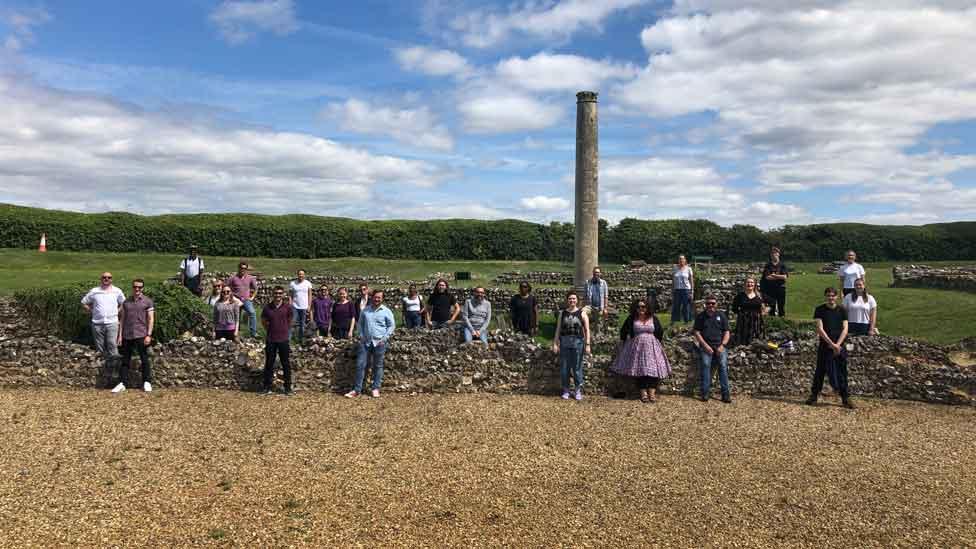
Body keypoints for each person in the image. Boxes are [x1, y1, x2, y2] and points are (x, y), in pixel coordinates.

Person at [611, 298, 670, 403]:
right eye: (639, 307)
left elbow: (659, 331)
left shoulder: (653, 318)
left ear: (647, 308)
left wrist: (657, 342)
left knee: (653, 370)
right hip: (637, 348)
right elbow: (623, 330)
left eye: (643, 306)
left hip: (652, 347)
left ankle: (652, 393)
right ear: (635, 308)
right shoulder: (632, 318)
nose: (641, 309)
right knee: (640, 370)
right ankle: (643, 393)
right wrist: (623, 341)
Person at [807, 287, 855, 409]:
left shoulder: (842, 310)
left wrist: (838, 344)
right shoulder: (820, 310)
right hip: (825, 345)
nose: (831, 298)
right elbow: (820, 329)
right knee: (820, 371)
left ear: (836, 297)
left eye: (833, 295)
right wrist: (831, 344)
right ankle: (814, 395)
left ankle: (845, 397)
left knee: (842, 371)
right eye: (828, 295)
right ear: (825, 296)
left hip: (839, 346)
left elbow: (845, 328)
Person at [346, 289, 395, 398]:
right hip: (365, 342)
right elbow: (360, 325)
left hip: (380, 342)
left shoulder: (386, 311)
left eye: (379, 297)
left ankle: (375, 388)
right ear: (372, 297)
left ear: (382, 299)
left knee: (377, 366)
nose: (377, 299)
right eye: (375, 297)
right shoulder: (365, 311)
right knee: (360, 365)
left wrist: (385, 338)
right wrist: (361, 336)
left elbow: (391, 326)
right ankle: (357, 389)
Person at [81, 272, 125, 384]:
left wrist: (117, 311)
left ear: (112, 279)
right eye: (104, 277)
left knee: (112, 346)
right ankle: (102, 373)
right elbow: (84, 302)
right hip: (97, 323)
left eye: (109, 277)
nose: (106, 279)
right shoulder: (95, 291)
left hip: (112, 323)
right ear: (101, 279)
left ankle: (115, 374)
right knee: (100, 349)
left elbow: (123, 303)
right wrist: (92, 311)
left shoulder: (117, 291)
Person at [114, 279, 155, 393]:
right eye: (135, 287)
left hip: (141, 334)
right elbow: (122, 319)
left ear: (143, 288)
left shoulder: (148, 301)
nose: (137, 289)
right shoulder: (126, 302)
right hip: (127, 334)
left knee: (144, 359)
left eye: (140, 287)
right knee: (125, 360)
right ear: (132, 287)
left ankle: (147, 382)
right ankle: (122, 383)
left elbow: (151, 319)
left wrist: (149, 335)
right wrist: (120, 335)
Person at [552, 291, 590, 401]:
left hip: (578, 342)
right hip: (565, 342)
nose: (572, 300)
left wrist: (587, 344)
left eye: (574, 299)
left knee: (577, 368)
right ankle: (566, 390)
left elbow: (587, 330)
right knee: (565, 368)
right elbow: (558, 329)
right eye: (570, 299)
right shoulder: (562, 313)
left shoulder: (582, 313)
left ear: (577, 300)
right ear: (567, 300)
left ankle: (577, 390)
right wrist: (555, 343)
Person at [693, 295, 732, 403]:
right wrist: (705, 346)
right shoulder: (701, 316)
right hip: (706, 346)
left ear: (716, 304)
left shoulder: (721, 316)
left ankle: (725, 395)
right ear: (705, 304)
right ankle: (705, 393)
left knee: (723, 366)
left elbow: (727, 332)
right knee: (706, 365)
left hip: (720, 346)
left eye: (713, 303)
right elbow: (697, 332)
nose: (710, 305)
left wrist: (722, 345)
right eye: (708, 303)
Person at [260, 286, 293, 395]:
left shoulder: (287, 307)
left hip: (283, 339)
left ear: (283, 294)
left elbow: (290, 320)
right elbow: (263, 320)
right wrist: (270, 330)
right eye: (276, 293)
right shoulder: (267, 307)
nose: (278, 295)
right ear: (273, 294)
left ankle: (287, 388)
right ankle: (267, 387)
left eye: (280, 293)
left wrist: (284, 329)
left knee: (286, 364)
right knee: (269, 363)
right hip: (271, 339)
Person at [226, 262, 258, 338]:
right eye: (241, 268)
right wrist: (231, 297)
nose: (243, 270)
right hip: (236, 299)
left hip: (246, 300)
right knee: (236, 316)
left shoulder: (250, 278)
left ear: (246, 269)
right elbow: (226, 287)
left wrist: (252, 297)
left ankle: (253, 333)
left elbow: (256, 288)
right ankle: (236, 332)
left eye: (244, 268)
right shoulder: (233, 278)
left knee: (252, 313)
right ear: (239, 268)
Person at [731, 277, 766, 346]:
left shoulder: (759, 295)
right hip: (743, 320)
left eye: (752, 282)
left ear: (755, 284)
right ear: (745, 284)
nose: (750, 284)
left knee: (756, 337)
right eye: (748, 282)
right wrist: (741, 314)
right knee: (743, 339)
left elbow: (772, 302)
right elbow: (734, 308)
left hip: (756, 320)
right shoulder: (740, 296)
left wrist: (764, 311)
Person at [761, 247, 789, 317]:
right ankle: (772, 322)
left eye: (776, 253)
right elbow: (767, 277)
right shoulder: (768, 265)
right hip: (770, 289)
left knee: (781, 307)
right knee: (771, 307)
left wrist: (774, 275)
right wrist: (779, 276)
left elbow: (785, 276)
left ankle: (782, 321)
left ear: (779, 254)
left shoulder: (782, 265)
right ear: (771, 255)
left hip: (780, 289)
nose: (774, 255)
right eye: (772, 253)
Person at [289, 269, 313, 341]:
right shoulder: (293, 283)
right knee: (292, 323)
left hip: (304, 306)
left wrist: (309, 305)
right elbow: (290, 295)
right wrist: (290, 304)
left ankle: (301, 339)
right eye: (299, 274)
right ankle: (288, 339)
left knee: (302, 324)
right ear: (297, 274)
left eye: (302, 274)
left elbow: (310, 295)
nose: (301, 275)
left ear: (304, 275)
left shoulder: (308, 283)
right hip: (295, 306)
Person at [671, 255, 694, 323]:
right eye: (680, 259)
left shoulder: (688, 268)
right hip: (677, 289)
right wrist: (672, 290)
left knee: (686, 305)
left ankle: (687, 320)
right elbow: (673, 280)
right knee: (676, 305)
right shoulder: (675, 268)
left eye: (682, 259)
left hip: (686, 289)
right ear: (678, 260)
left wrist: (692, 291)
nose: (681, 260)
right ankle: (675, 320)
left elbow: (691, 281)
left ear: (685, 260)